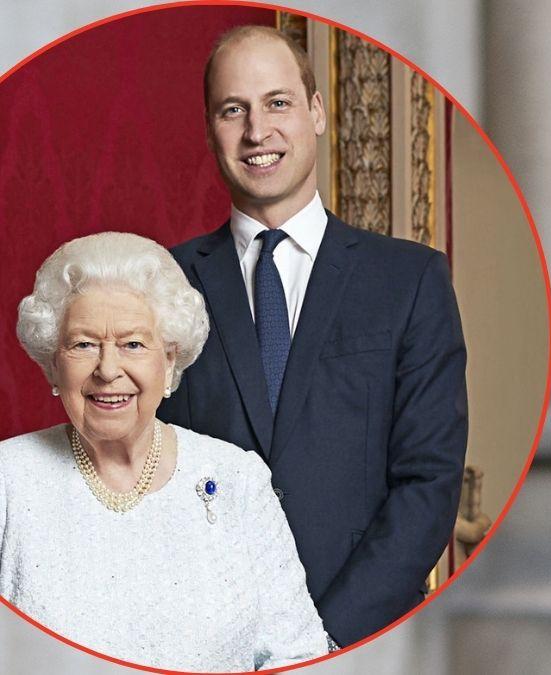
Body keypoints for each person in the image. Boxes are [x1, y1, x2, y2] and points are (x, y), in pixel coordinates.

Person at [157, 26, 468, 647]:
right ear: (210, 128)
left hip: (366, 639)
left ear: (317, 112)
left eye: (278, 102)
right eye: (233, 109)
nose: (257, 131)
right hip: (203, 641)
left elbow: (428, 483)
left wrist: (319, 640)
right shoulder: (162, 284)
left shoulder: (410, 280)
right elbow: (138, 471)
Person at [1, 232, 328, 671]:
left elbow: (299, 658)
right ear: (53, 364)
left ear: (169, 361)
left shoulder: (238, 480)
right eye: (83, 344)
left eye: (132, 344)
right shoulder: (9, 480)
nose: (108, 369)